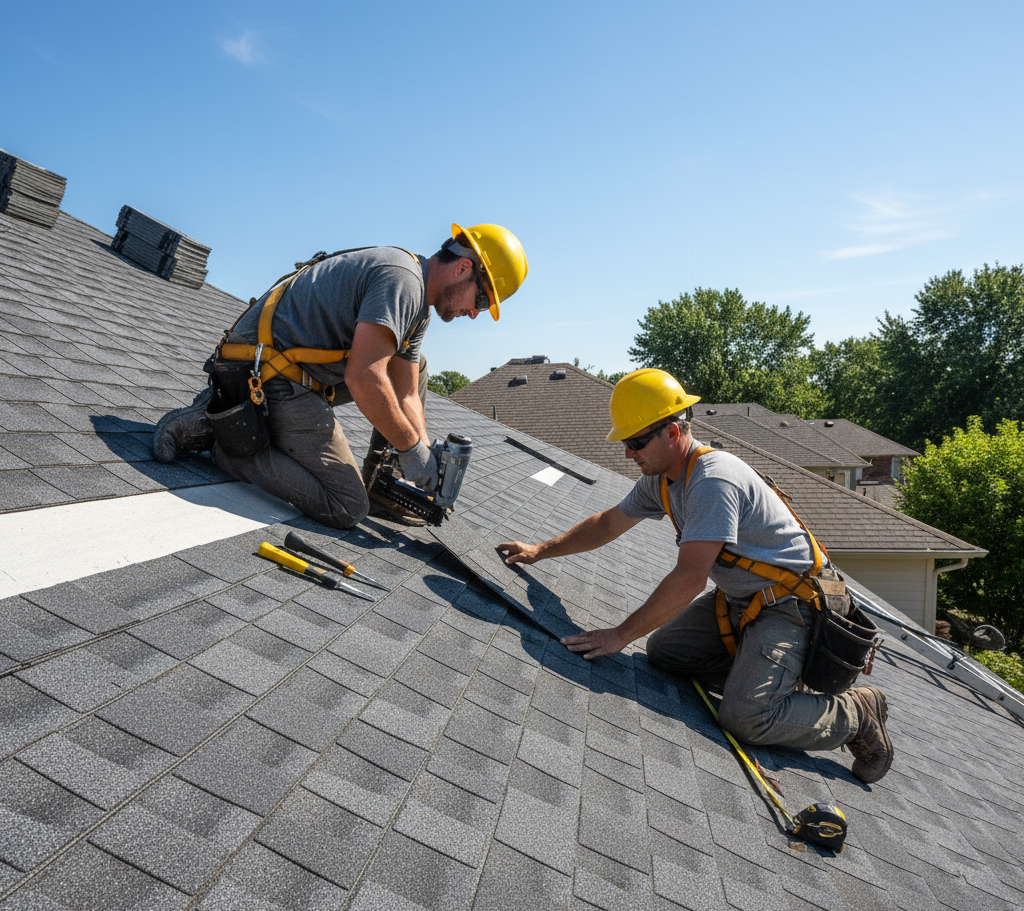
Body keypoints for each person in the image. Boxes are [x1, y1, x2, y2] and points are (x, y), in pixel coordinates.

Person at [496, 368, 893, 784]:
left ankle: (856, 714)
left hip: (794, 609)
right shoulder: (663, 479)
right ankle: (770, 682)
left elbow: (689, 580)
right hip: (744, 602)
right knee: (666, 652)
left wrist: (618, 635)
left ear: (671, 432)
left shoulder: (713, 479)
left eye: (635, 442)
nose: (628, 454)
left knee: (745, 718)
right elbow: (608, 523)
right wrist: (541, 550)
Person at [153, 222, 528, 528]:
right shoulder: (403, 282)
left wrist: (424, 455)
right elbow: (364, 377)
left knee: (419, 365)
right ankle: (227, 439)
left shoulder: (419, 303)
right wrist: (411, 450)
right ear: (463, 269)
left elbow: (408, 392)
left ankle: (380, 485)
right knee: (347, 505)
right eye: (482, 300)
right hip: (265, 373)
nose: (476, 313)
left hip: (294, 372)